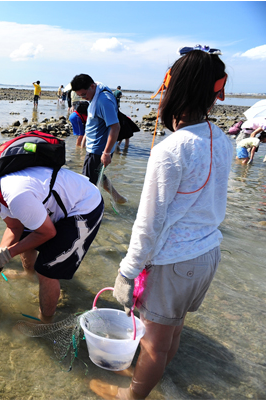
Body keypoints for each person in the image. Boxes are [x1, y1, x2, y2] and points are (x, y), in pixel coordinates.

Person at [90, 47, 233, 400]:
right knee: (173, 328)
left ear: (174, 91)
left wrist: (126, 272)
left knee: (153, 339)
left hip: (174, 261)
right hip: (207, 254)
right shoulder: (223, 140)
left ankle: (131, 396)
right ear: (213, 93)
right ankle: (157, 380)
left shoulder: (171, 150)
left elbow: (148, 224)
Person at [0, 166, 104, 323]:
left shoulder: (16, 197)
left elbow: (48, 233)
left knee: (46, 270)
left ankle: (45, 320)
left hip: (83, 206)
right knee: (26, 235)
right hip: (58, 203)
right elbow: (15, 226)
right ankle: (28, 273)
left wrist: (7, 254)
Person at [70, 73, 127, 204]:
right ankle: (117, 197)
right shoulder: (98, 91)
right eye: (80, 96)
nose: (84, 98)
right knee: (97, 174)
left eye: (84, 94)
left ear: (92, 86)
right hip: (96, 147)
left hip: (98, 149)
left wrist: (106, 152)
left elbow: (115, 127)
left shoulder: (103, 100)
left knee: (88, 182)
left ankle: (91, 208)